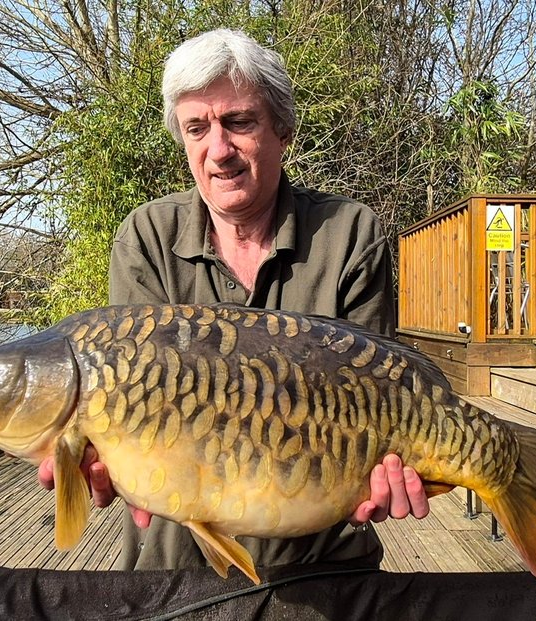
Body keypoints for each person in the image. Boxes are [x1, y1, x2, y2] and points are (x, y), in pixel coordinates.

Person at [39, 28, 429, 573]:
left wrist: (392, 473)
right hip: (175, 570)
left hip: (326, 565)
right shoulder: (147, 236)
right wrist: (100, 466)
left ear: (283, 130)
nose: (218, 150)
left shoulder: (350, 233)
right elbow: (128, 406)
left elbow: (384, 390)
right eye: (197, 127)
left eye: (238, 122)